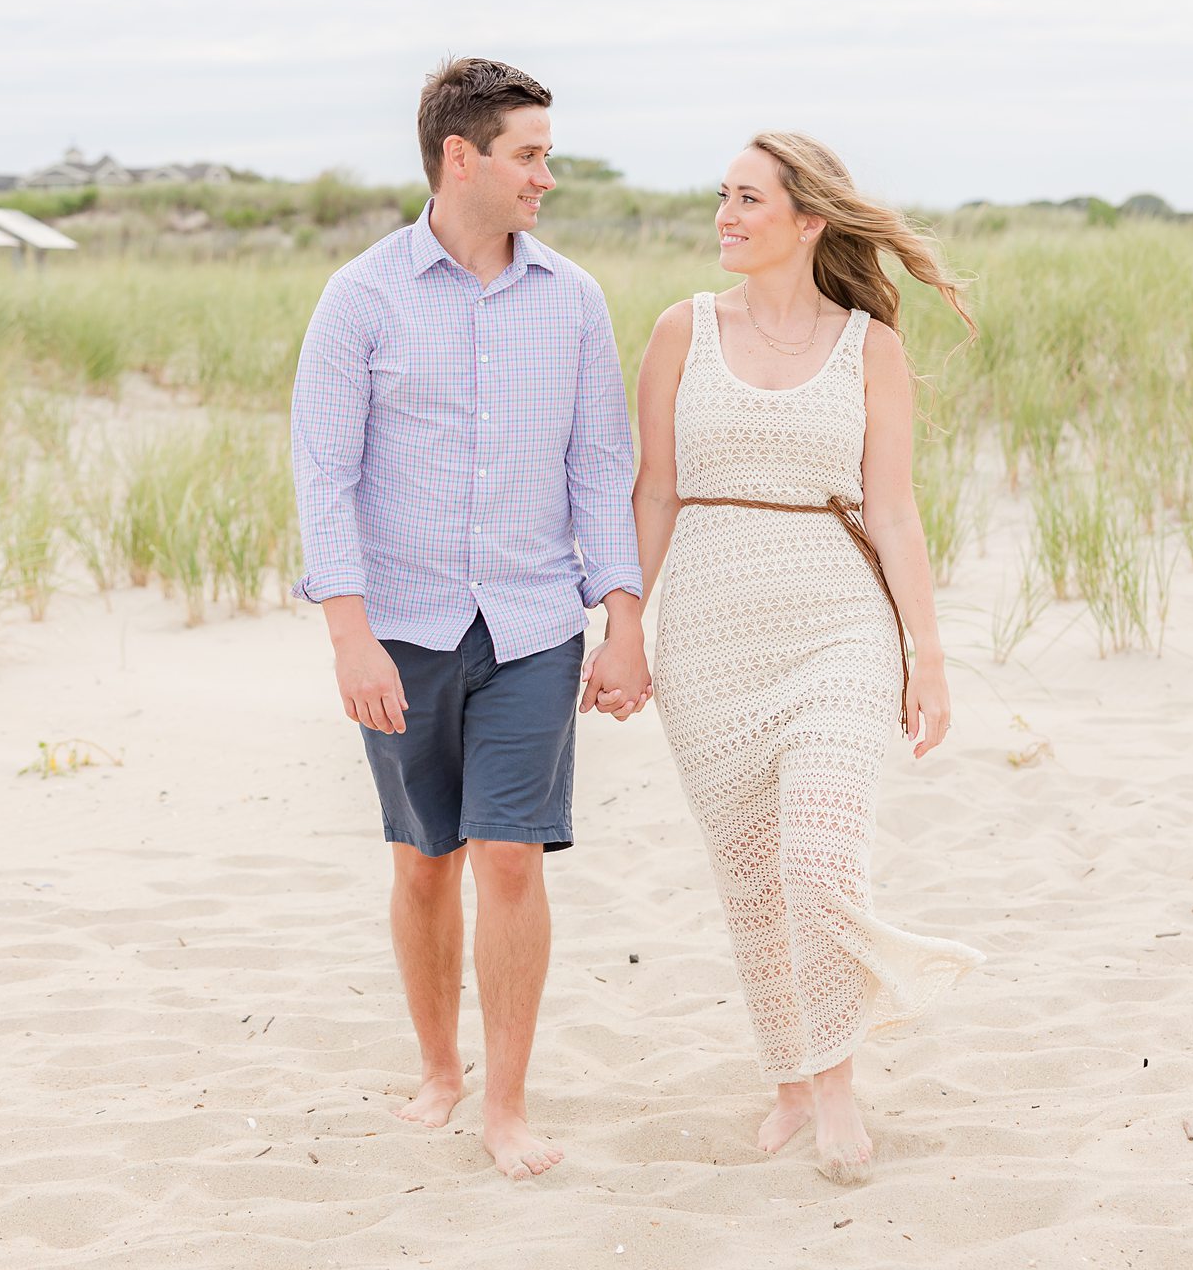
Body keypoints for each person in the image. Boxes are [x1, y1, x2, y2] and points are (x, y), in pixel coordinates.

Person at [291, 58, 650, 1181]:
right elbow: (322, 475)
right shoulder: (361, 296)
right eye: (530, 154)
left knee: (508, 859)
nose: (547, 175)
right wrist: (348, 632)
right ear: (462, 158)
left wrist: (623, 618)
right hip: (399, 627)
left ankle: (503, 1102)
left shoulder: (574, 300)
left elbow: (601, 469)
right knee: (424, 861)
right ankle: (437, 1068)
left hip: (534, 625)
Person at [632, 131, 986, 1184]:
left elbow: (894, 509)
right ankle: (788, 1077)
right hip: (704, 633)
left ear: (807, 220)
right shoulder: (678, 331)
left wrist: (926, 654)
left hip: (838, 624)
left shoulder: (868, 344)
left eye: (747, 199)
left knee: (819, 859)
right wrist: (621, 630)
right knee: (750, 879)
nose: (725, 217)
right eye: (721, 198)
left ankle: (833, 1086)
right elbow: (651, 493)